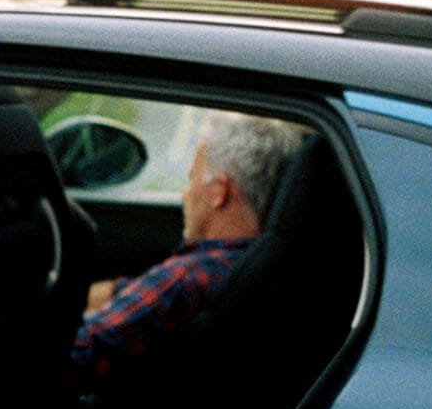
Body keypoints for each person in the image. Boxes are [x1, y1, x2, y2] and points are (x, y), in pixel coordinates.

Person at [70, 110, 308, 382]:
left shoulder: (190, 277)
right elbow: (139, 297)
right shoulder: (251, 265)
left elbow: (76, 354)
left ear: (219, 192)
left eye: (192, 178)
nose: (185, 194)